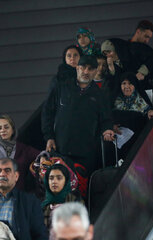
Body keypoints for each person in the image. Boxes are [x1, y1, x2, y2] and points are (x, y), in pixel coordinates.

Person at [41, 55, 115, 196]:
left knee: (79, 192)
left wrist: (107, 130)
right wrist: (49, 137)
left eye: (90, 68)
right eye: (83, 67)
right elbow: (47, 113)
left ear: (95, 71)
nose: (86, 71)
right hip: (60, 149)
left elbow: (106, 119)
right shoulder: (62, 88)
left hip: (85, 154)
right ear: (77, 68)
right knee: (57, 191)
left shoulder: (100, 95)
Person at [0, 158, 48, 240]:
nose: (2, 174)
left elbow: (40, 236)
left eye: (7, 170)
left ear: (16, 176)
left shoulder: (30, 202)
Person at [111, 72, 153, 159]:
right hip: (116, 140)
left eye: (130, 84)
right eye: (124, 83)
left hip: (136, 142)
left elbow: (146, 117)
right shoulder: (114, 100)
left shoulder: (141, 101)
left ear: (135, 85)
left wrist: (148, 114)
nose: (127, 87)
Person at [41, 164, 84, 231]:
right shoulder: (43, 205)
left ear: (66, 181)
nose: (54, 182)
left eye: (59, 178)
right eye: (51, 178)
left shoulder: (75, 202)